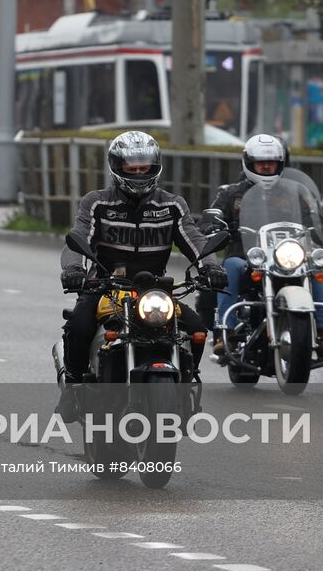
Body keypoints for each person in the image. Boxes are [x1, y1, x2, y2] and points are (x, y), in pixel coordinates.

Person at [55, 131, 226, 421]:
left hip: (153, 290)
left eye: (143, 167)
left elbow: (195, 239)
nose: (137, 173)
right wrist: (73, 270)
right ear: (116, 168)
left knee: (196, 327)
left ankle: (183, 391)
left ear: (155, 167)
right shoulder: (96, 203)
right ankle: (73, 388)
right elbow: (77, 237)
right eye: (131, 168)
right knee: (79, 325)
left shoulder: (172, 205)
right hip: (105, 287)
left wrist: (212, 267)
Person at [210, 134, 323, 356]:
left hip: (287, 255)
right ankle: (225, 330)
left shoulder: (293, 192)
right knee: (229, 267)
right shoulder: (231, 193)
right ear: (250, 163)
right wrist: (213, 226)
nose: (267, 166)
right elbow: (212, 217)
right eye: (261, 162)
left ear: (281, 164)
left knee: (312, 268)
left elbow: (311, 217)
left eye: (272, 163)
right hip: (247, 255)